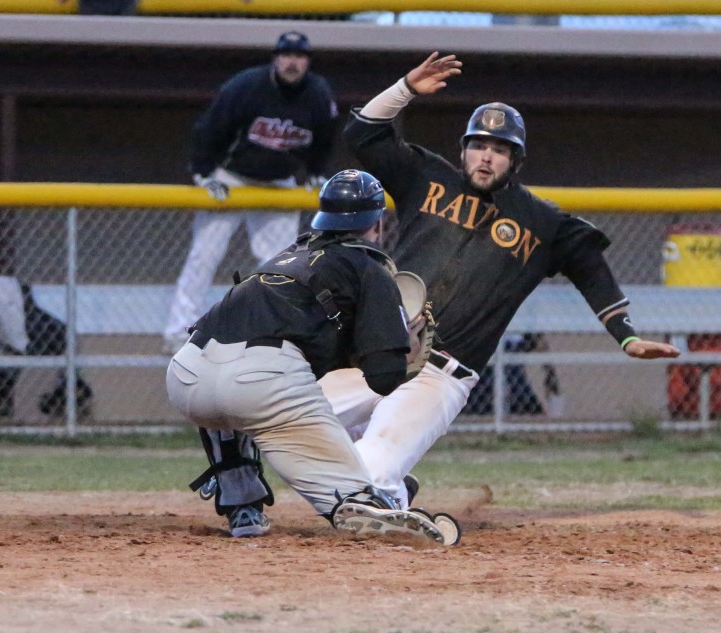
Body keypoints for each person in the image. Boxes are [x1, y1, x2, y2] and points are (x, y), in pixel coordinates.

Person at [315, 53, 681, 507]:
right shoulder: (426, 178)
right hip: (376, 356)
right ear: (463, 148)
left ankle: (383, 489)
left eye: (500, 148)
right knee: (275, 416)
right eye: (479, 144)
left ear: (515, 159)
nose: (486, 156)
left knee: (363, 480)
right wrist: (406, 87)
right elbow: (362, 134)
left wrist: (626, 337)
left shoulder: (541, 221)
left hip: (441, 375)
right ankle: (380, 490)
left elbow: (589, 264)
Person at [166, 169, 460, 546]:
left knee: (229, 401)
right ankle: (364, 499)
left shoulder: (289, 255)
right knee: (355, 502)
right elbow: (383, 379)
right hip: (261, 383)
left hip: (185, 374)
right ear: (378, 223)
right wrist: (405, 350)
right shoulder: (371, 268)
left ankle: (243, 504)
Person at [162, 31, 340, 354]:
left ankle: (277, 331)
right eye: (285, 55)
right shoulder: (246, 86)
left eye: (299, 56)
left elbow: (326, 136)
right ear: (275, 58)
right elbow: (210, 127)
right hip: (232, 179)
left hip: (279, 183)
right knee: (205, 255)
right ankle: (177, 331)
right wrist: (203, 171)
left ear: (308, 62)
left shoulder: (317, 93)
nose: (292, 62)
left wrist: (314, 171)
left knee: (282, 264)